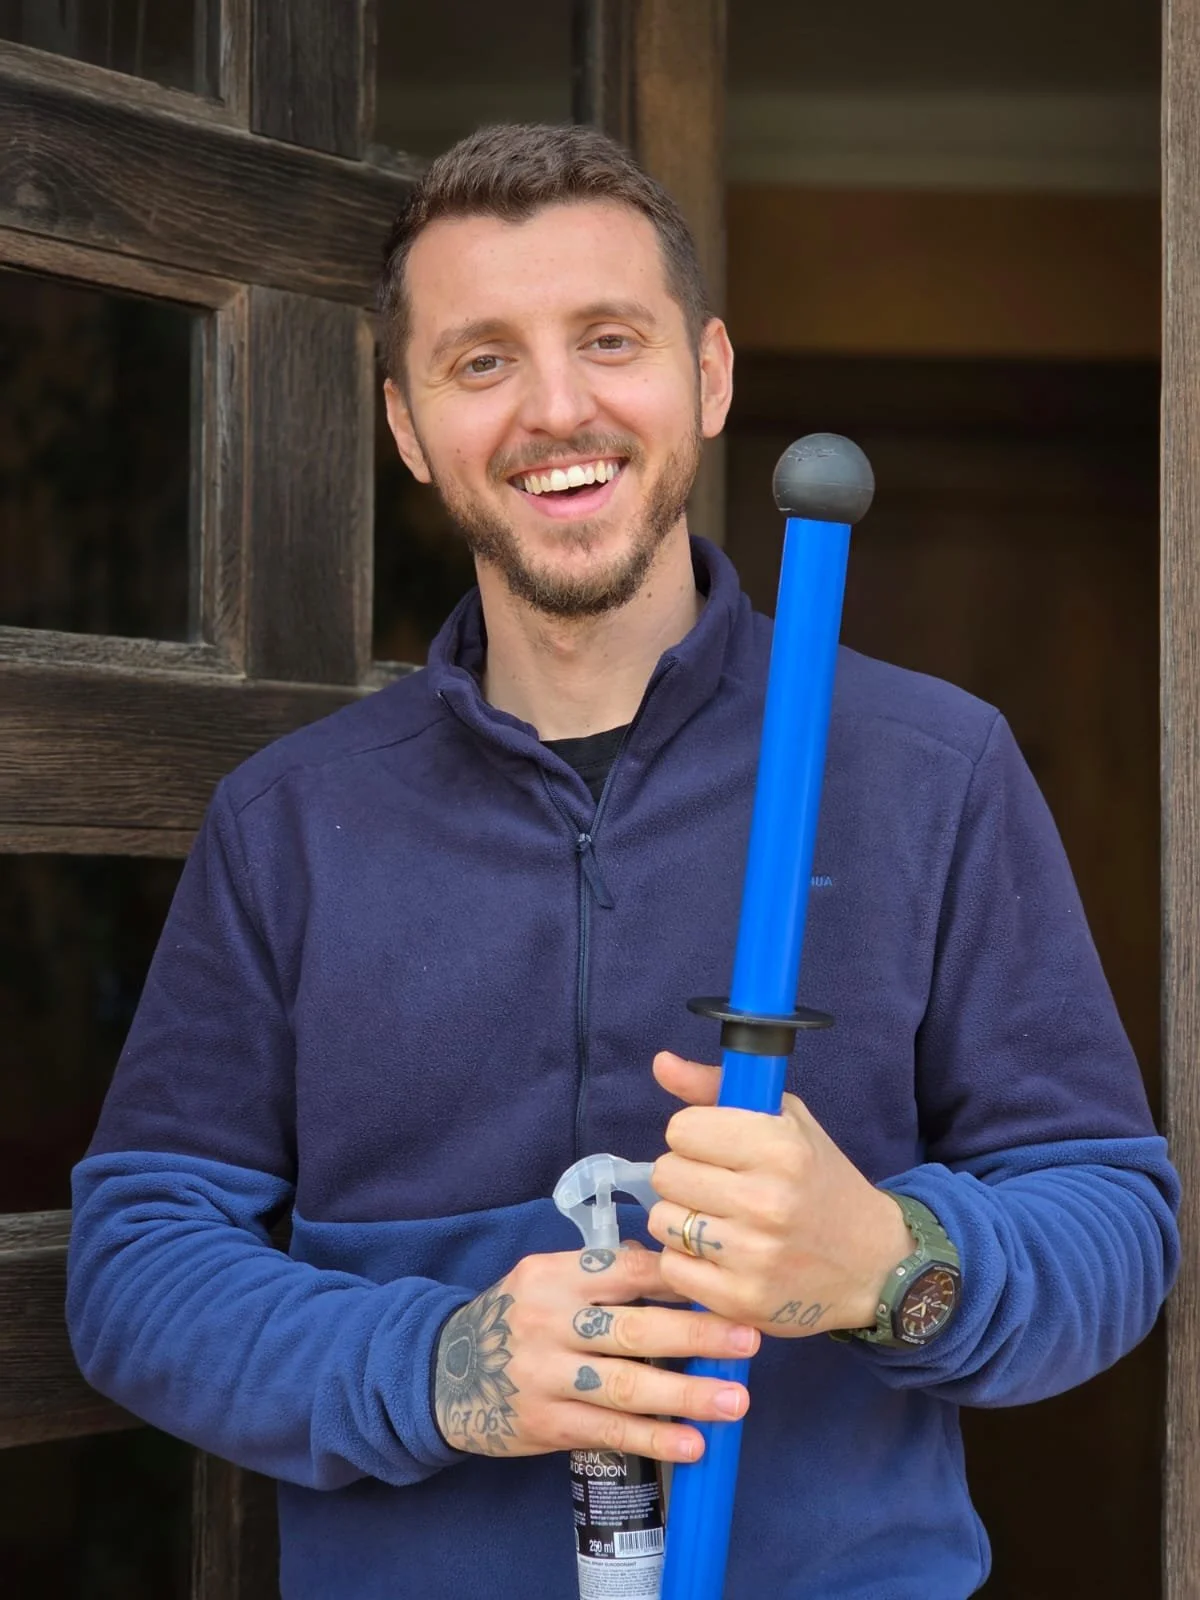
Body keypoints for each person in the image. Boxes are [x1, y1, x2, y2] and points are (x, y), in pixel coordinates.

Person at [66, 123, 1179, 1599]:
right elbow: (139, 1265)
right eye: (481, 362)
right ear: (405, 424)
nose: (556, 407)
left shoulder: (934, 765)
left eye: (609, 339)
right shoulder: (287, 822)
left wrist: (892, 1261)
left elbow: (1112, 1214)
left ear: (708, 376)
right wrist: (440, 1362)